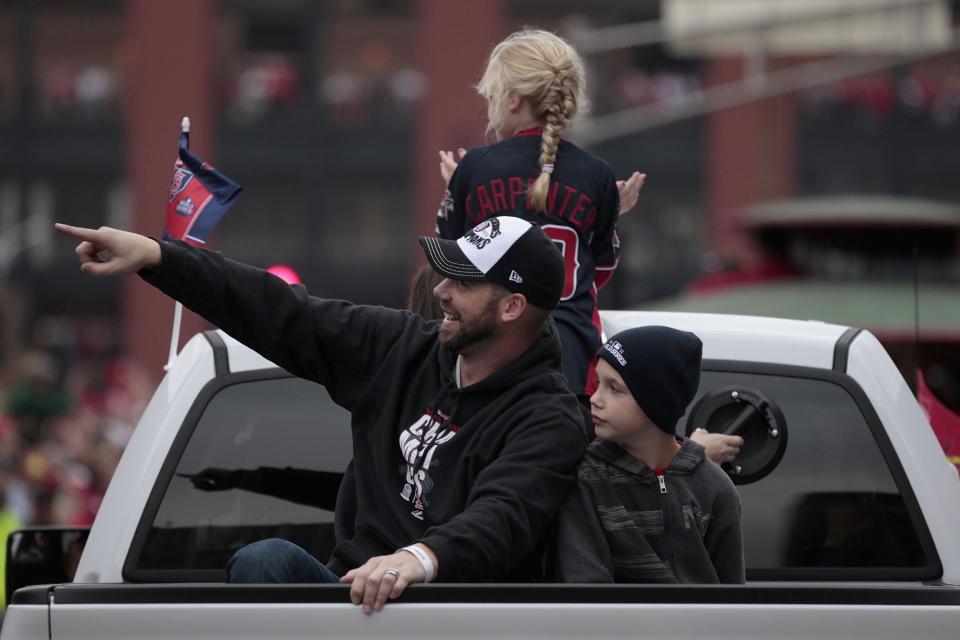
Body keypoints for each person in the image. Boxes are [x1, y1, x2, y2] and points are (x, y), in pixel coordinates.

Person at [56, 215, 589, 614]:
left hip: (454, 620)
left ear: (512, 308)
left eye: (463, 282)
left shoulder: (549, 417)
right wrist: (157, 256)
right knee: (266, 561)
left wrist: (419, 558)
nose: (441, 291)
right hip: (347, 609)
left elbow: (504, 516)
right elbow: (282, 310)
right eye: (446, 274)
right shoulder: (404, 348)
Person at [435, 28, 644, 402]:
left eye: (494, 95)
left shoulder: (476, 166)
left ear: (514, 100)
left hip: (492, 363)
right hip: (573, 365)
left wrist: (458, 186)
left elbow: (451, 265)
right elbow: (600, 272)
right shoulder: (596, 173)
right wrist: (615, 212)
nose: (490, 105)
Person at [554, 326, 745, 583]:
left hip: (701, 624)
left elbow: (734, 599)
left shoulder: (716, 488)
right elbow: (587, 592)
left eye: (615, 388)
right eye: (598, 384)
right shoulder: (586, 479)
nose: (595, 399)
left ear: (656, 400)